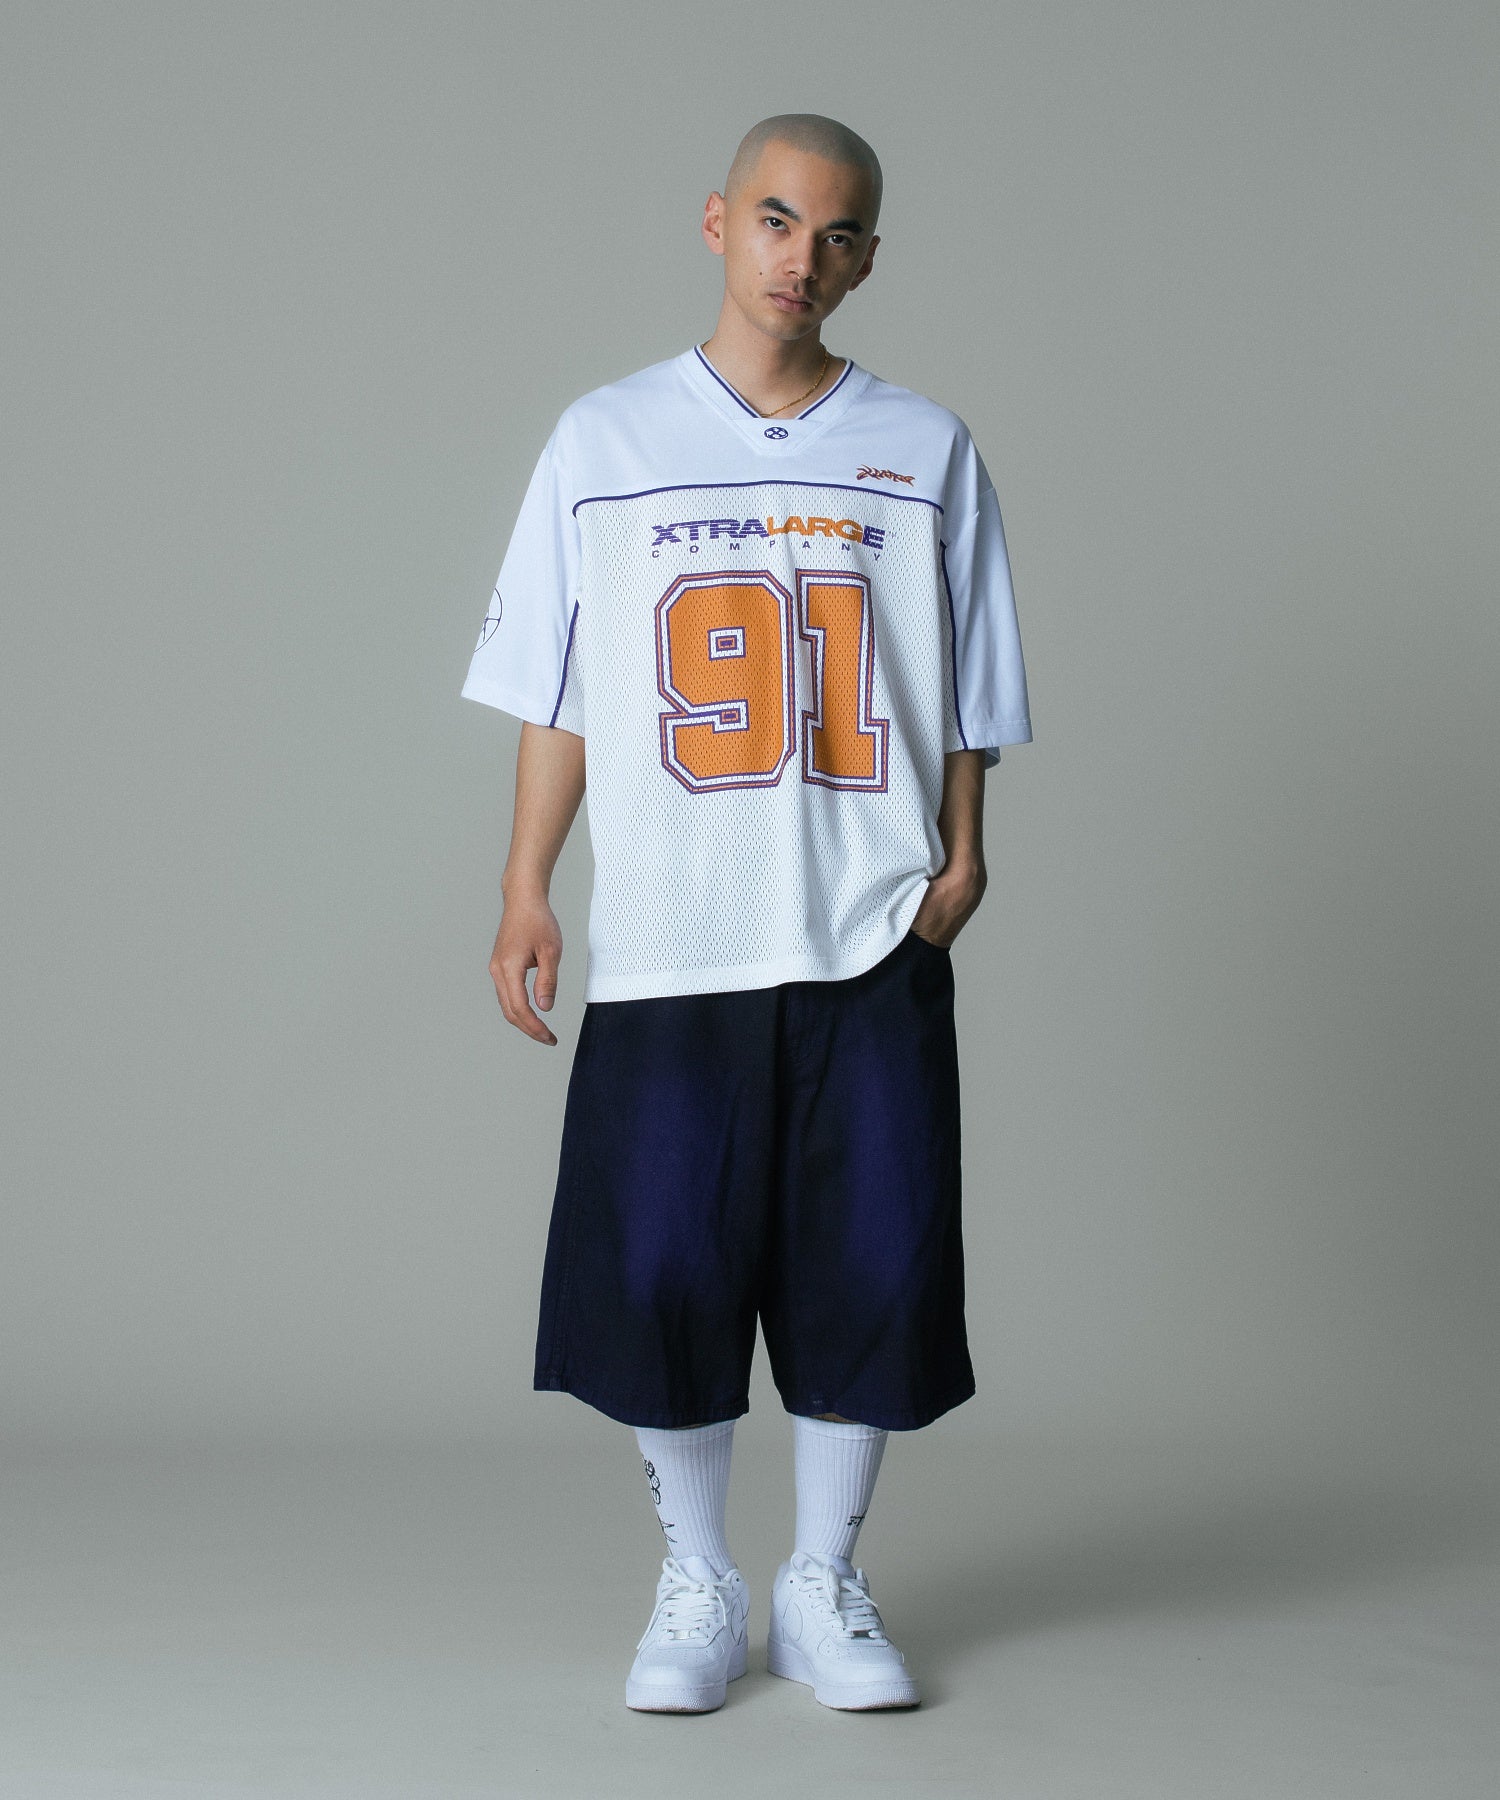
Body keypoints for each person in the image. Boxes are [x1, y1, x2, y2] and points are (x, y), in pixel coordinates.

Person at [460, 113, 1031, 1714]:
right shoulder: (606, 439)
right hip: (673, 928)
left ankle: (823, 1577)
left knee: (875, 1259)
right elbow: (559, 687)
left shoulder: (923, 447)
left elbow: (969, 682)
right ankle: (698, 1577)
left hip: (867, 924)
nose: (803, 259)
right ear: (717, 223)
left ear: (868, 258)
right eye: (777, 219)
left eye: (838, 233)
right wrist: (525, 884)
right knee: (663, 1262)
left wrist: (964, 856)